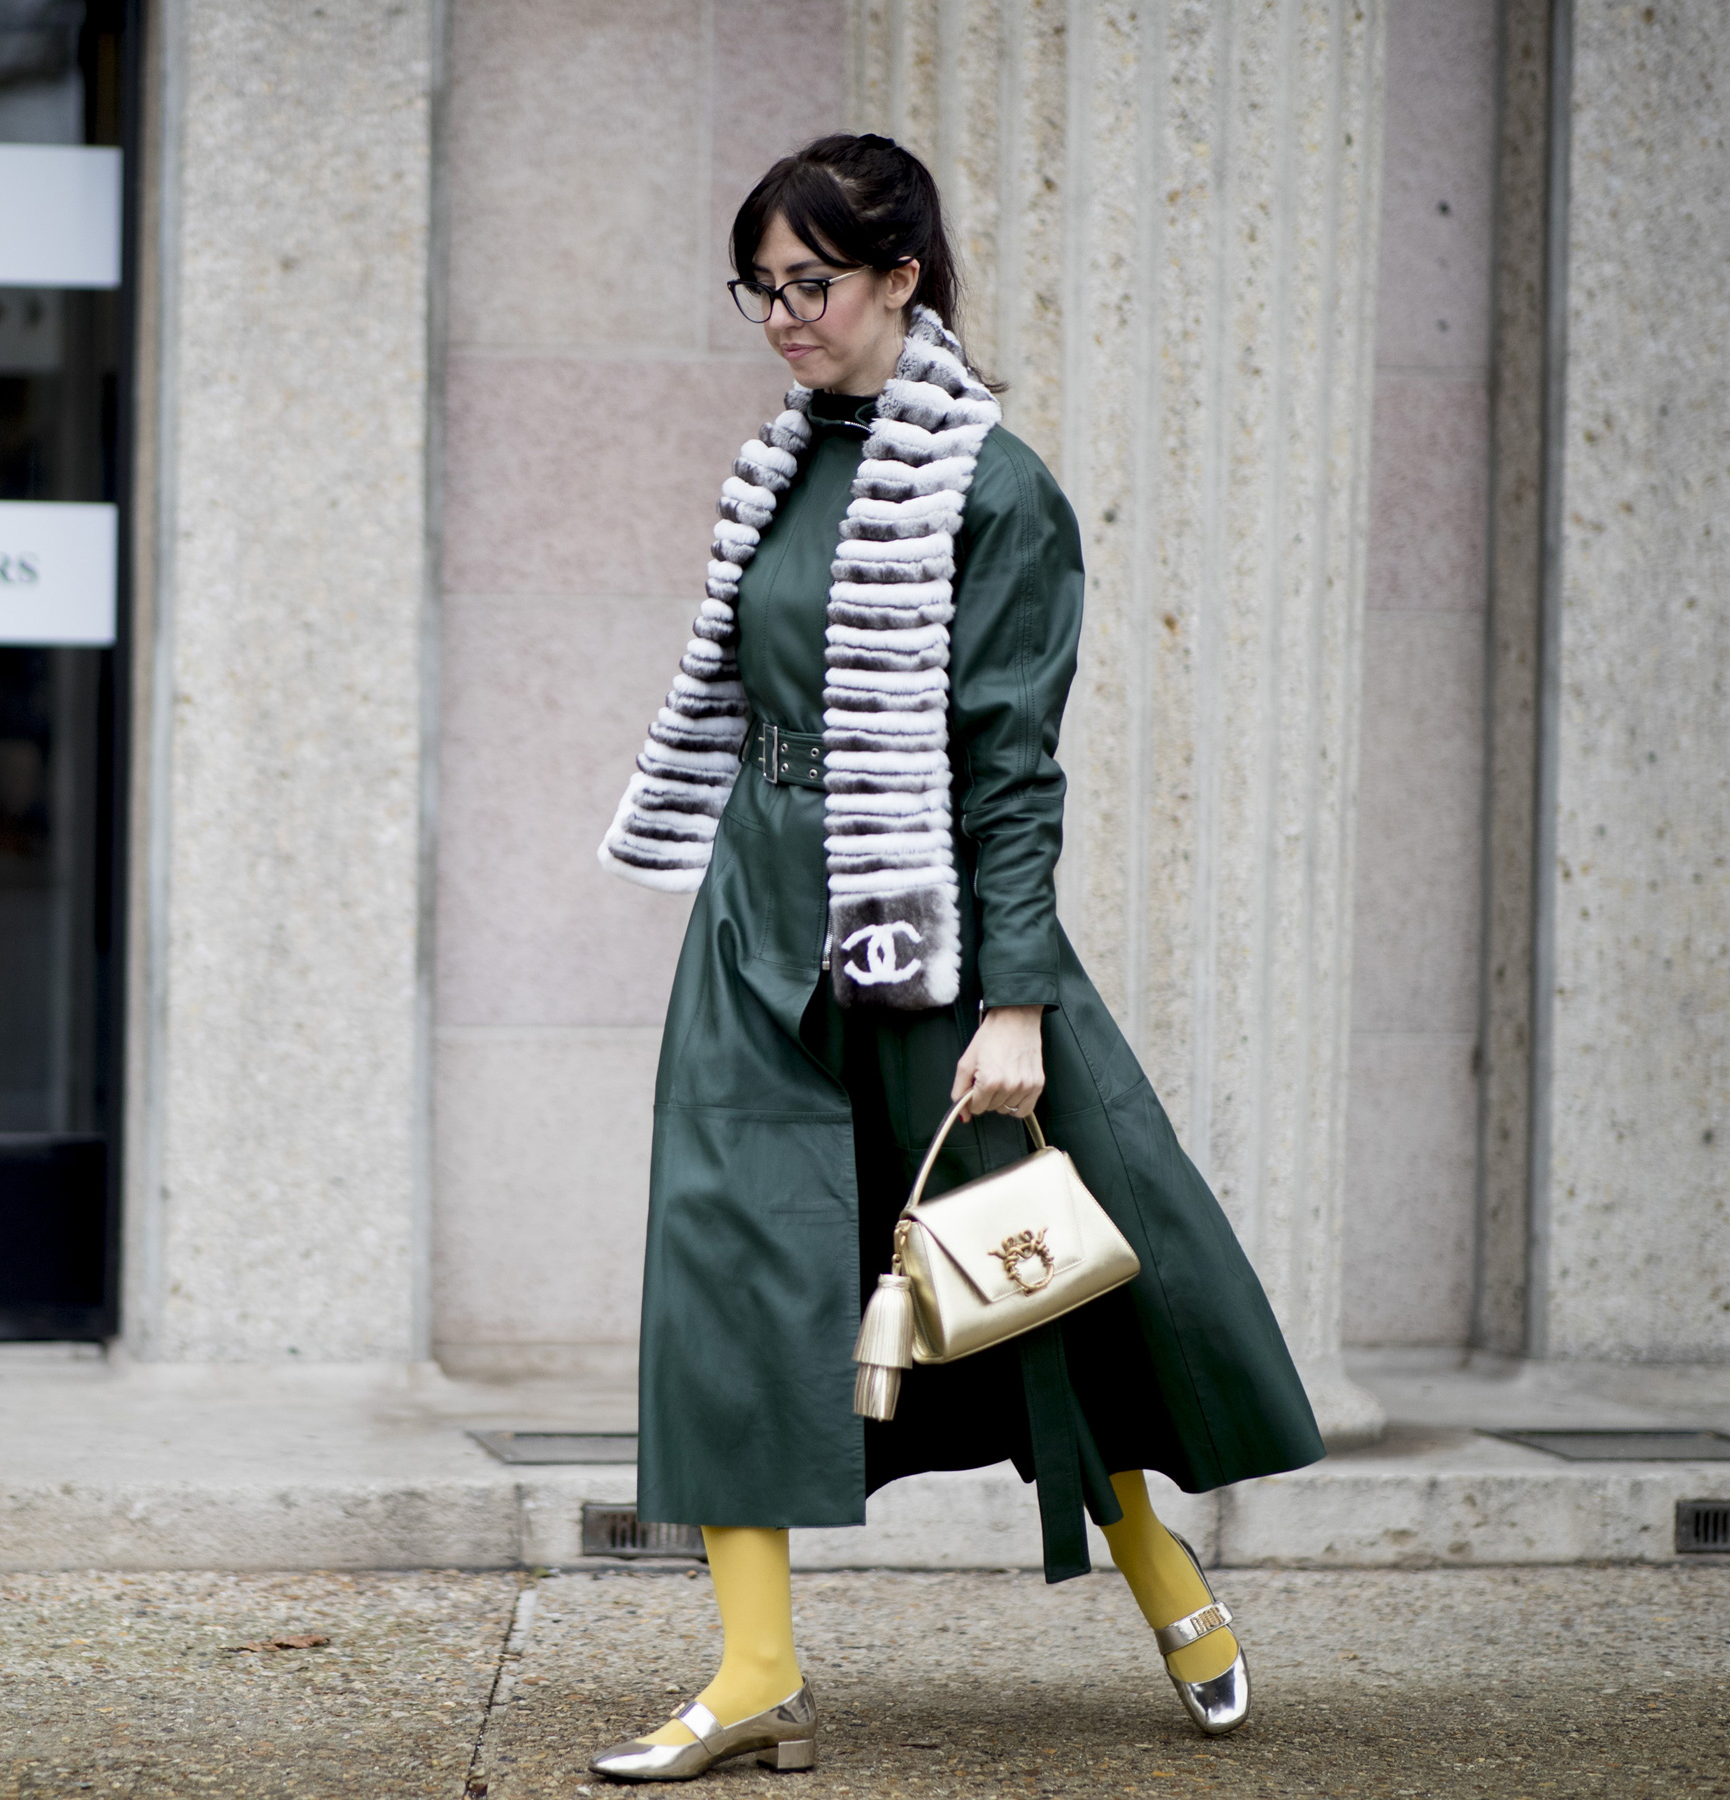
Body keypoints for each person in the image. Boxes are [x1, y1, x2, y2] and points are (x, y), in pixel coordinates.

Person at [589, 134, 1324, 1782]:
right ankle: (757, 1669)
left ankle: (1157, 1563)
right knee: (724, 1274)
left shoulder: (995, 488)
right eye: (758, 286)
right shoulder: (779, 464)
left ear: (902, 277)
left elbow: (1011, 767)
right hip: (755, 917)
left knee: (1013, 1281)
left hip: (921, 928)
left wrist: (1016, 1002)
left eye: (812, 283)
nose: (779, 315)